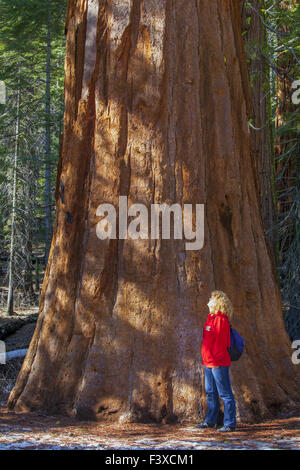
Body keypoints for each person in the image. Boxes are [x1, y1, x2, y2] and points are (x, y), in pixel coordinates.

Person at [196, 290, 236, 432]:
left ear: (217, 302)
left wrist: (215, 361)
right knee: (211, 392)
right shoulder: (210, 317)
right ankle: (211, 421)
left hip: (218, 363)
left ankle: (230, 423)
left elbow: (221, 343)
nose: (208, 301)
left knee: (225, 393)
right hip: (207, 362)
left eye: (210, 299)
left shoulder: (221, 320)